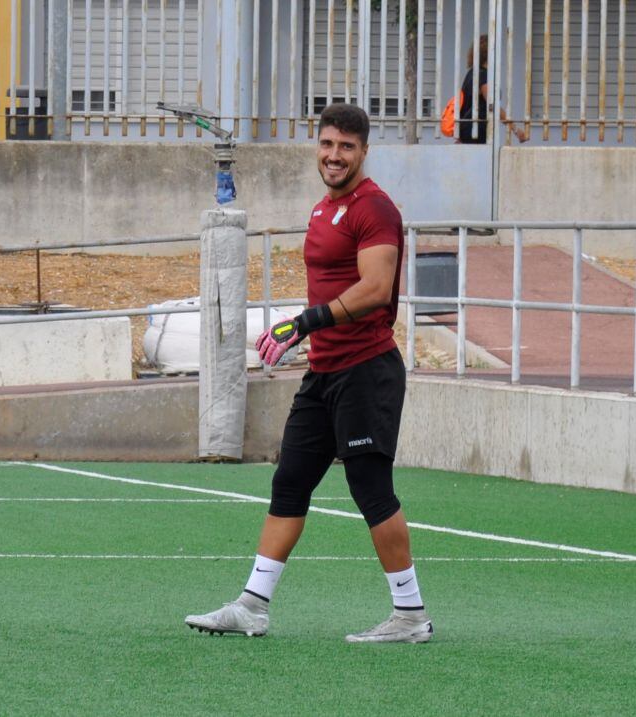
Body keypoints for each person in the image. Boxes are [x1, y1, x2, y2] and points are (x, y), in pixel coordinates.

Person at [184, 103, 432, 644]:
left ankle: (410, 615)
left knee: (370, 488)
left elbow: (373, 289)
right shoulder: (324, 211)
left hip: (367, 370)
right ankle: (253, 605)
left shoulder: (376, 209)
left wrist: (305, 321)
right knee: (289, 481)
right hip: (324, 371)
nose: (334, 155)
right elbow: (333, 285)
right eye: (326, 144)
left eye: (346, 146)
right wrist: (300, 333)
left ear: (364, 151)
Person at [458, 34, 529, 144]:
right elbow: (493, 106)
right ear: (489, 54)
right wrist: (516, 130)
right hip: (476, 132)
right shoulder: (483, 76)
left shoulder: (471, 74)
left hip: (467, 131)